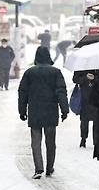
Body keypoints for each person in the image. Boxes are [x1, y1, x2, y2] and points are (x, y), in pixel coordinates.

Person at [18, 46, 69, 179]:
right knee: (50, 141)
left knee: (36, 141)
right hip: (51, 111)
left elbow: (22, 93)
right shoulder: (56, 72)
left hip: (35, 110)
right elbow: (61, 91)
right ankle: (49, 167)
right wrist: (64, 109)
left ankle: (38, 168)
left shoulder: (30, 72)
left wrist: (22, 111)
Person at [72, 70, 97, 148]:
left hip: (97, 97)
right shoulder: (80, 67)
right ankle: (83, 139)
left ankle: (96, 141)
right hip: (84, 98)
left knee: (97, 121)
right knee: (84, 121)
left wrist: (95, 78)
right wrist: (85, 78)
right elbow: (75, 79)